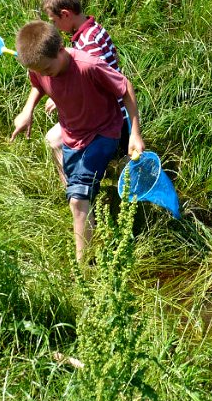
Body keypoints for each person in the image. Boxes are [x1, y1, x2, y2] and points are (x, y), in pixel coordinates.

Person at [11, 20, 144, 262]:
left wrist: (134, 133)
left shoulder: (88, 66)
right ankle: (84, 208)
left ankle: (84, 268)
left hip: (103, 132)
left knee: (78, 198)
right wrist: (27, 109)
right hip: (72, 135)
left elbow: (125, 89)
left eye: (47, 69)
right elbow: (38, 84)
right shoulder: (40, 68)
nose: (43, 74)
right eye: (39, 71)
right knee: (78, 193)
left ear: (61, 49)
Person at [39, 0, 127, 186]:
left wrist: (60, 98)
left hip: (108, 116)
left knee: (53, 140)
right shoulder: (93, 30)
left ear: (65, 14)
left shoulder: (88, 45)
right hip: (112, 111)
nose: (53, 25)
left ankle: (74, 189)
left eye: (53, 21)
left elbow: (91, 81)